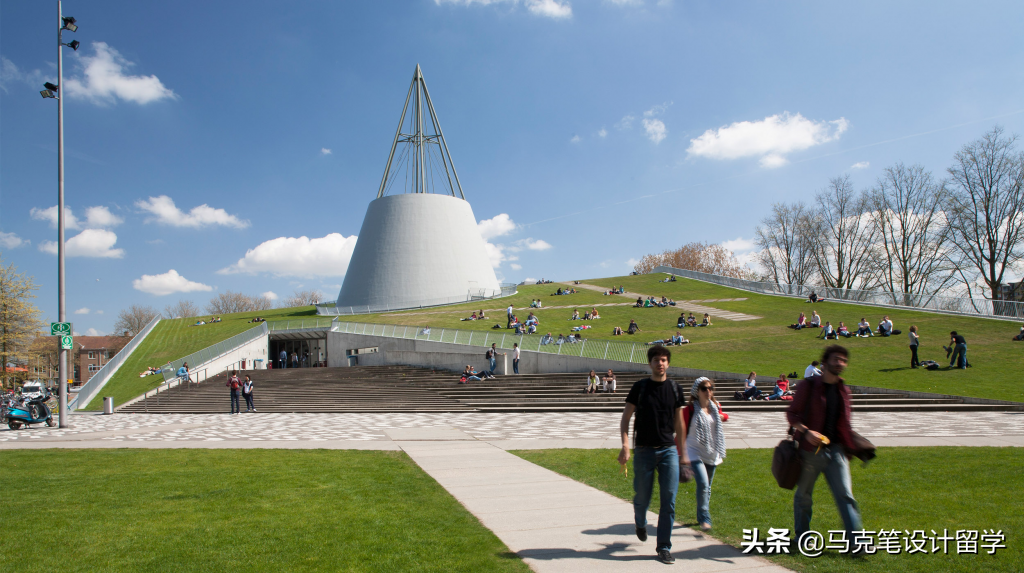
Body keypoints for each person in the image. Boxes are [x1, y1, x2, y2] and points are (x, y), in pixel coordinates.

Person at [787, 345, 863, 546]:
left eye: (843, 360)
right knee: (804, 496)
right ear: (825, 361)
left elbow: (845, 423)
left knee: (846, 495)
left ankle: (857, 543)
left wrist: (854, 444)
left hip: (836, 450)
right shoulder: (809, 386)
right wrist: (806, 432)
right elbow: (792, 414)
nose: (840, 363)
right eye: (836, 359)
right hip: (810, 451)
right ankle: (803, 538)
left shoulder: (843, 390)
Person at [618, 345, 686, 564]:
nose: (660, 363)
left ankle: (664, 547)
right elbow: (626, 418)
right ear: (650, 363)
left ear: (668, 363)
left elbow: (679, 422)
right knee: (642, 497)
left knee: (669, 500)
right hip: (644, 450)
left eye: (664, 360)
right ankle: (640, 521)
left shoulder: (675, 388)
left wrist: (683, 454)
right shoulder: (640, 388)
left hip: (668, 450)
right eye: (656, 360)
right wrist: (626, 445)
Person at [684, 377, 726, 531]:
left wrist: (723, 417)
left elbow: (724, 416)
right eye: (704, 388)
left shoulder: (715, 407)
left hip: (712, 452)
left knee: (707, 487)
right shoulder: (690, 410)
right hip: (694, 451)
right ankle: (705, 518)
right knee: (703, 483)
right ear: (697, 391)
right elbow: (680, 430)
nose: (708, 391)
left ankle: (700, 515)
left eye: (710, 388)